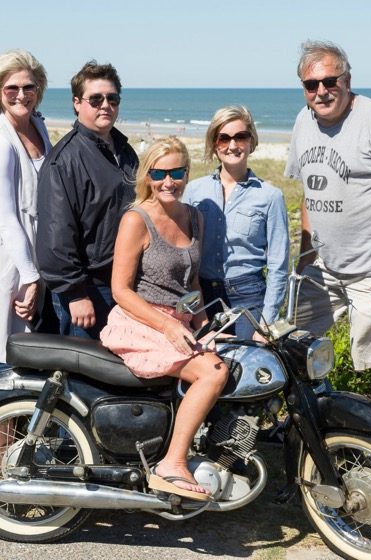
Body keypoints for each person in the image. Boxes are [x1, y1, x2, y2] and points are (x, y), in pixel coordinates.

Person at [285, 40, 371, 417]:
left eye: (330, 81)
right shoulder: (303, 121)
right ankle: (317, 423)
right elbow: (309, 194)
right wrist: (305, 260)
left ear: (347, 79)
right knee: (293, 343)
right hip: (323, 269)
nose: (321, 91)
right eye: (311, 85)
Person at [100, 137, 228, 500]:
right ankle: (172, 463)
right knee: (212, 372)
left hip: (182, 321)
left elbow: (192, 285)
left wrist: (205, 325)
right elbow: (121, 290)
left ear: (187, 174)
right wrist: (169, 325)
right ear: (147, 176)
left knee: (235, 361)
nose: (168, 181)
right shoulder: (136, 219)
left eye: (176, 172)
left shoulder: (195, 217)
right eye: (159, 173)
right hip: (141, 321)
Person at [37, 61, 139, 339]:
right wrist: (75, 293)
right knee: (84, 378)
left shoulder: (125, 152)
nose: (105, 105)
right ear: (77, 103)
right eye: (95, 99)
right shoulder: (65, 160)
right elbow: (56, 235)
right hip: (89, 289)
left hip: (124, 284)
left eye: (112, 98)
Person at [0, 50, 54, 376]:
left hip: (41, 253)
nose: (21, 95)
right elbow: (5, 217)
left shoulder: (37, 125)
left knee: (34, 351)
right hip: (13, 261)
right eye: (12, 88)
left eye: (29, 87)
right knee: (9, 349)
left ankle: (26, 426)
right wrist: (29, 276)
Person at [184, 106, 289, 340]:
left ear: (251, 141)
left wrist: (267, 321)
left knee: (245, 368)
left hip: (248, 298)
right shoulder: (194, 191)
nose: (233, 146)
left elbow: (278, 266)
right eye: (224, 138)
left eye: (240, 137)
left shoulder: (270, 196)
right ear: (214, 144)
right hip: (201, 297)